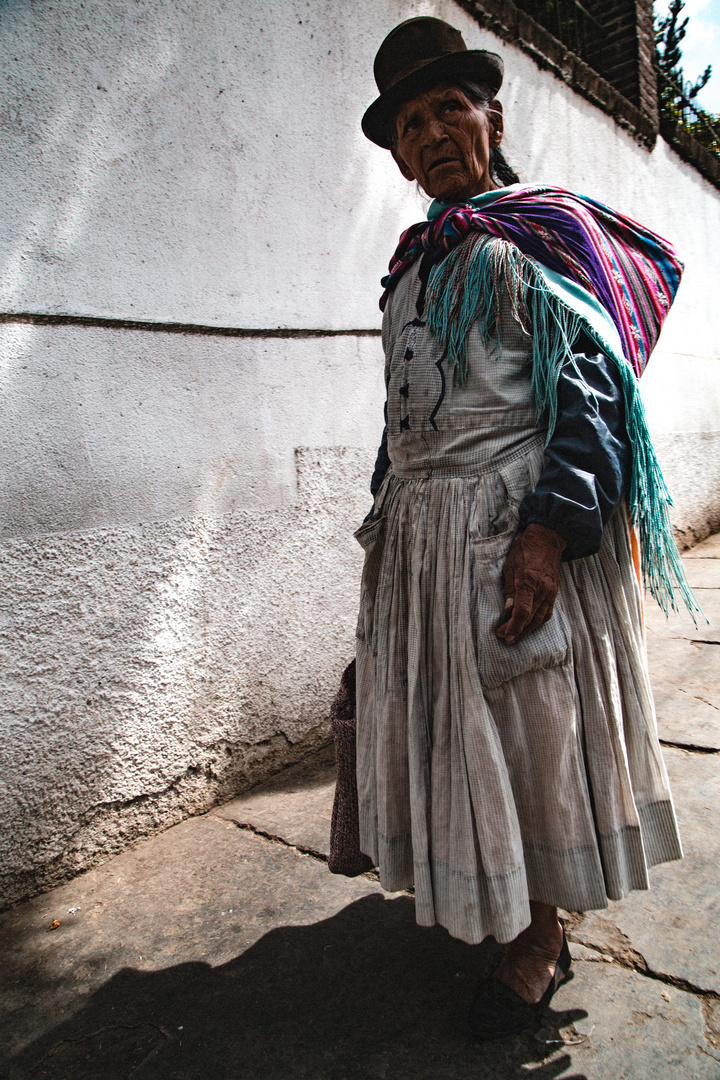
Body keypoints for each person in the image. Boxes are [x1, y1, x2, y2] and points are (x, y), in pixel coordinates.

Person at [354, 17, 692, 1038]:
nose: (432, 133)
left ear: (493, 117)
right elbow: (405, 406)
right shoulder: (416, 261)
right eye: (411, 124)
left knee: (528, 732)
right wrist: (383, 520)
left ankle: (542, 936)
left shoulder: (535, 239)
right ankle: (494, 891)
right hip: (421, 541)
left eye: (450, 108)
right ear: (402, 154)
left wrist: (548, 533)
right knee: (463, 737)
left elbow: (592, 397)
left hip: (511, 532)